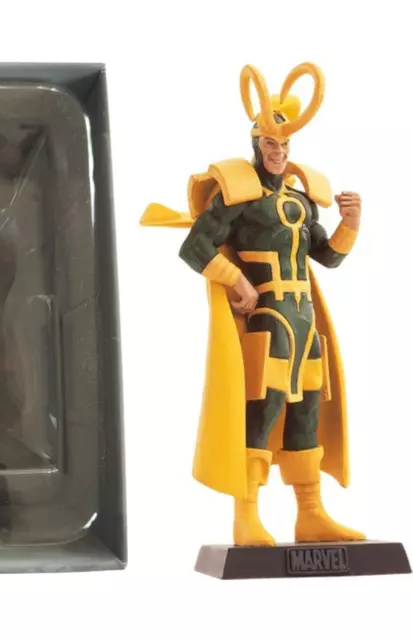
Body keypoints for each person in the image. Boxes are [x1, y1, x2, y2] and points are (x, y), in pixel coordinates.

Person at [141, 63, 365, 545]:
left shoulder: (302, 202)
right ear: (256, 144)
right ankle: (246, 517)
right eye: (269, 144)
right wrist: (236, 279)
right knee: (262, 411)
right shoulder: (239, 194)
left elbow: (327, 257)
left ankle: (310, 514)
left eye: (284, 145)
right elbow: (194, 248)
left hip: (304, 321)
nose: (278, 152)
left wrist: (350, 225)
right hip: (269, 319)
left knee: (305, 412)